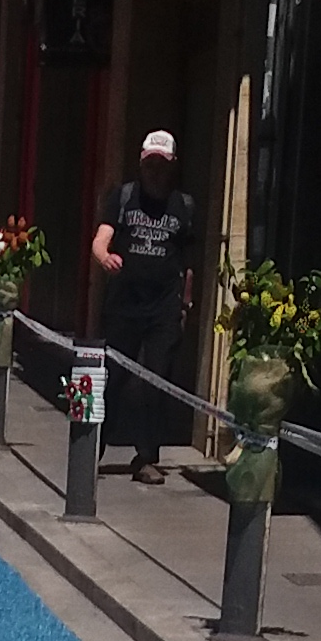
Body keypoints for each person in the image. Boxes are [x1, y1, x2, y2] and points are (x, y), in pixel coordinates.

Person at [91, 128, 197, 480]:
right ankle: (92, 449)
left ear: (172, 166)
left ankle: (147, 458)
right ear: (141, 163)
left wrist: (186, 305)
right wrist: (105, 257)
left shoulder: (183, 206)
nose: (155, 172)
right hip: (124, 306)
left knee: (157, 381)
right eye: (150, 164)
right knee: (114, 378)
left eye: (162, 165)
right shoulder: (123, 198)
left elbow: (189, 264)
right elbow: (100, 240)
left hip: (163, 309)